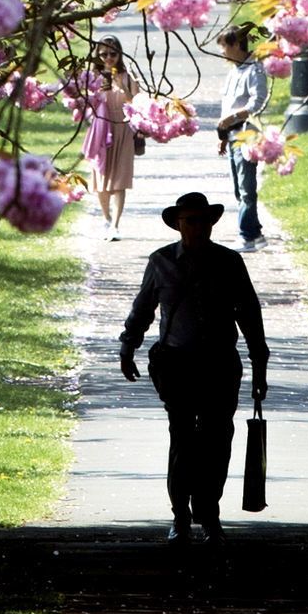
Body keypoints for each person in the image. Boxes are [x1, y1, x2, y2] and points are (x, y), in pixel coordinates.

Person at [118, 190, 269, 539]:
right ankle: (180, 516)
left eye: (203, 221)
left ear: (212, 224)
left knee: (218, 438)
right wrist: (129, 347)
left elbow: (249, 315)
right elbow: (142, 309)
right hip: (176, 364)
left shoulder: (230, 263)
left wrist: (259, 365)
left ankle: (209, 510)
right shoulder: (161, 263)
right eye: (190, 221)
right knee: (182, 437)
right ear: (178, 225)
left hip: (219, 364)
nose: (197, 227)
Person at [213, 28, 271, 249]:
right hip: (232, 134)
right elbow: (227, 104)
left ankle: (246, 234)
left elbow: (258, 102)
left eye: (224, 47)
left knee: (247, 187)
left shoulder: (254, 70)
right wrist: (223, 135)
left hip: (246, 134)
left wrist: (233, 118)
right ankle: (255, 233)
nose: (222, 52)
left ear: (237, 44)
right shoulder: (234, 71)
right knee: (239, 188)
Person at [78, 37, 141, 239]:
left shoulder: (128, 76)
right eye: (103, 54)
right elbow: (85, 103)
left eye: (113, 54)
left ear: (120, 54)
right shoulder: (94, 78)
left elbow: (138, 103)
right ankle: (106, 219)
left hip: (123, 129)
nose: (108, 58)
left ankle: (115, 224)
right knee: (101, 178)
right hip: (102, 130)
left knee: (120, 180)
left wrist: (122, 89)